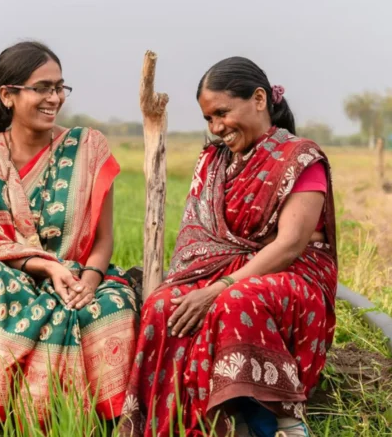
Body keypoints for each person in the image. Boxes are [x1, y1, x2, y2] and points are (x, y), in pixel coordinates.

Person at [119, 57, 338, 437]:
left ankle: (283, 422)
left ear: (258, 99)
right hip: (231, 274)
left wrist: (219, 286)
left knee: (235, 300)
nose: (217, 127)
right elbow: (200, 238)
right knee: (162, 307)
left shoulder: (300, 158)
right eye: (208, 119)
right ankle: (185, 425)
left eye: (222, 113)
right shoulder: (214, 163)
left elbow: (288, 245)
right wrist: (209, 284)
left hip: (291, 280)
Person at [0, 41, 139, 434]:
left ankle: (114, 425)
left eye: (60, 87)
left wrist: (89, 281)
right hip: (16, 275)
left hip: (81, 273)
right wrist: (46, 266)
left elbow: (103, 239)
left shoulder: (88, 147)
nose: (54, 98)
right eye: (42, 88)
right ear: (8, 96)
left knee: (114, 306)